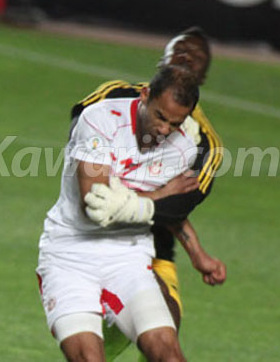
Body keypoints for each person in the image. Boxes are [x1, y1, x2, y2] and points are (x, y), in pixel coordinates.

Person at [70, 27, 227, 361]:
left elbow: (176, 206)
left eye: (197, 57)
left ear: (203, 76)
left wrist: (197, 253)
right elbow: (80, 138)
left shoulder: (204, 144)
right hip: (86, 244)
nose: (186, 57)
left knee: (163, 346)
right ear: (163, 59)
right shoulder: (114, 96)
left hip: (151, 254)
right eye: (180, 49)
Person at [37, 64, 206, 362]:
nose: (164, 130)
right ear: (145, 95)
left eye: (175, 123)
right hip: (70, 256)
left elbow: (169, 212)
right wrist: (160, 195)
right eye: (160, 116)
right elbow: (94, 204)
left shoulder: (183, 149)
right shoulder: (100, 119)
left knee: (169, 356)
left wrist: (198, 254)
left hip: (129, 259)